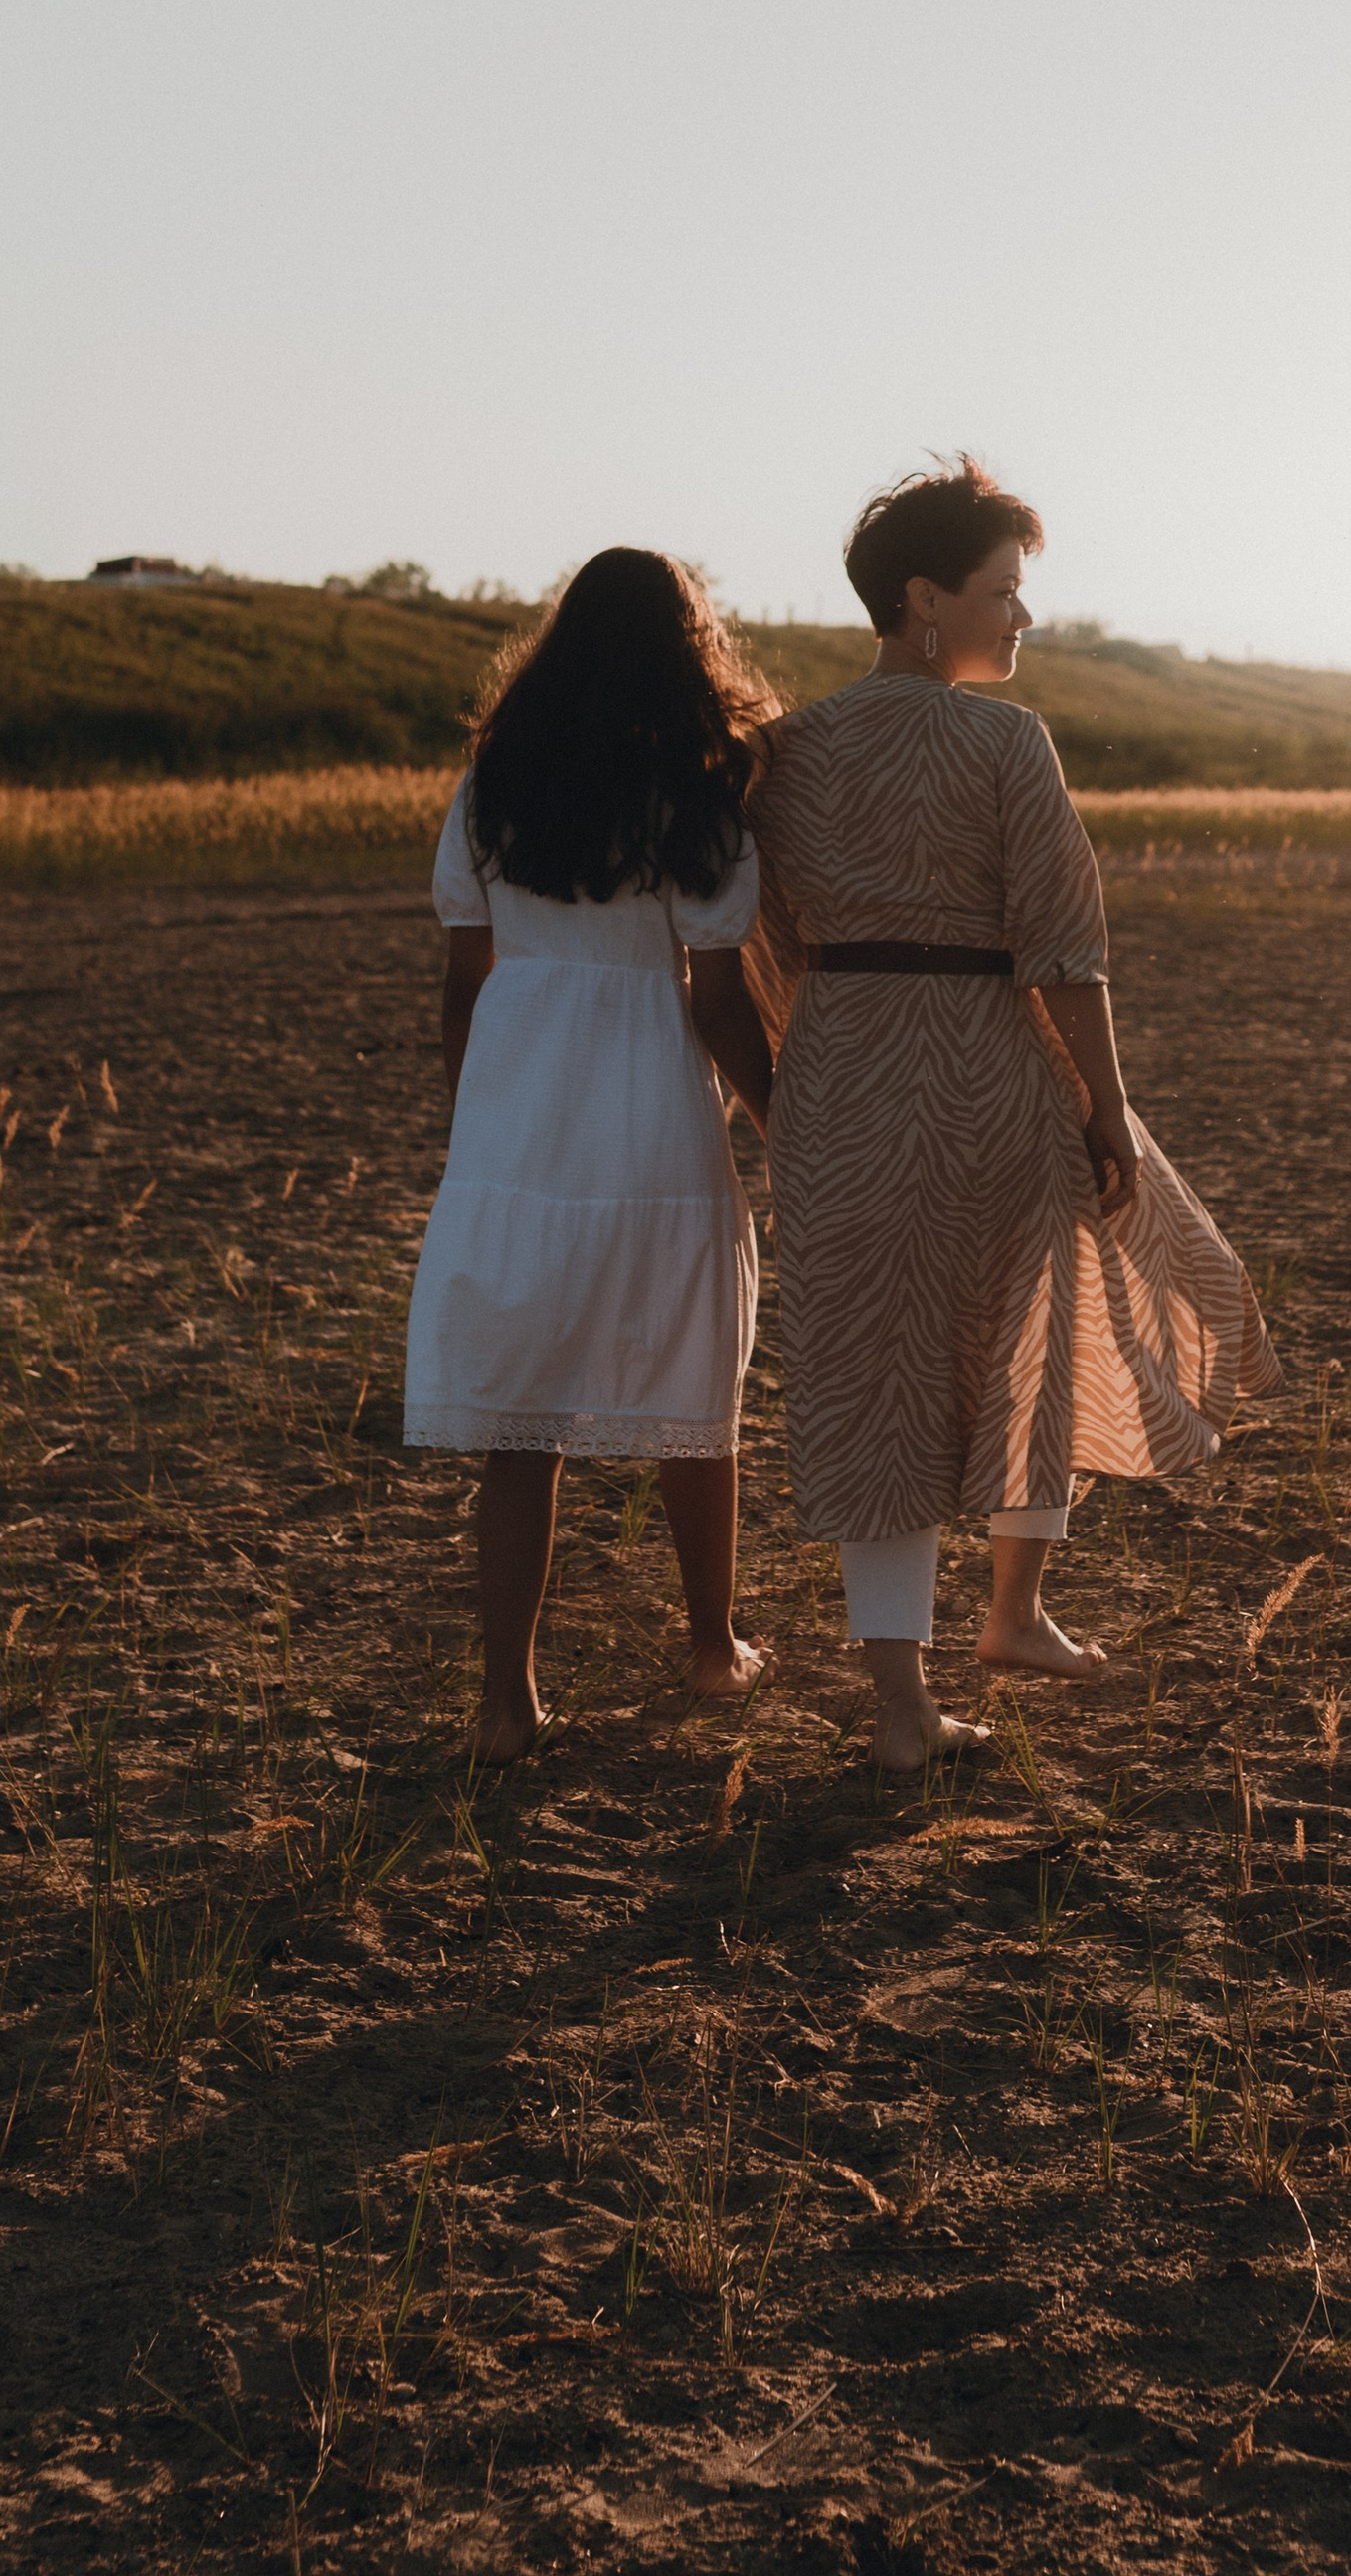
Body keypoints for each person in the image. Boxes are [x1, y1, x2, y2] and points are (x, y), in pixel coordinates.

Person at [748, 458, 1283, 1772]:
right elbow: (1066, 952)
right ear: (926, 598)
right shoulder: (1005, 742)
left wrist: (809, 1070)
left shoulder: (788, 749)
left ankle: (902, 1700)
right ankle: (1014, 1611)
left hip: (841, 1076)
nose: (1024, 618)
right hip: (988, 1063)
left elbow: (766, 935)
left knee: (872, 1372)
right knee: (1031, 1330)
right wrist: (1107, 1105)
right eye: (1007, 591)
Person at [404, 546, 778, 1766]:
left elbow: (465, 981)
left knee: (521, 1426)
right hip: (646, 1104)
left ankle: (506, 1702)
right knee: (692, 1392)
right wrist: (785, 1118)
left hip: (521, 1107)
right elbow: (719, 1002)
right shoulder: (691, 788)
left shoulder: (494, 781)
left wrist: (481, 1125)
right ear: (687, 651)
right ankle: (713, 1646)